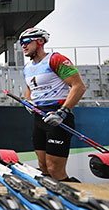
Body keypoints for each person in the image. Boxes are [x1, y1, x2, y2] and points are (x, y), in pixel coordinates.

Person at [20, 27, 86, 182]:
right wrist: (28, 101)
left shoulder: (55, 59)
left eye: (27, 42)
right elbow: (30, 88)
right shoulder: (27, 68)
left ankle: (75, 196)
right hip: (40, 117)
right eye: (21, 43)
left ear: (40, 41)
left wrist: (62, 113)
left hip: (58, 116)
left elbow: (79, 86)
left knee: (55, 169)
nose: (23, 46)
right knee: (43, 166)